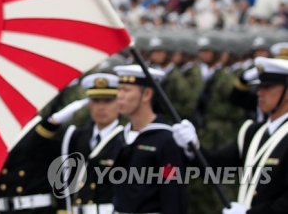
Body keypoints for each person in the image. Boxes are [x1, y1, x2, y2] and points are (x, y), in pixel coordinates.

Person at [173, 57, 288, 213]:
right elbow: (217, 168)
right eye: (260, 86)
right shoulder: (252, 131)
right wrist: (193, 146)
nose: (260, 92)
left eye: (268, 87)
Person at [112, 65, 188, 214]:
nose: (119, 96)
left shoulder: (166, 140)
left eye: (126, 90)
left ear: (146, 94)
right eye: (119, 89)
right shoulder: (122, 136)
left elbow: (173, 194)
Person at [60, 73, 124, 214]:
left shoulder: (124, 138)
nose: (101, 107)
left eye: (108, 101)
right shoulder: (76, 137)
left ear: (119, 104)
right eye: (95, 101)